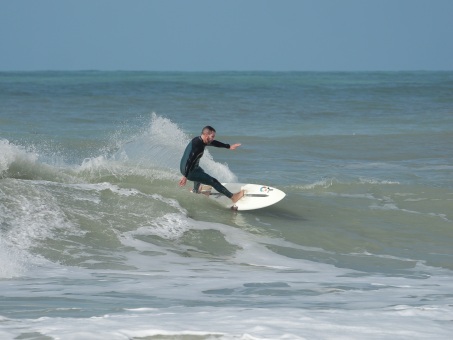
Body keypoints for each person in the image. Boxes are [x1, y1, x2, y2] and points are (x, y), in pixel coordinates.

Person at [179, 126, 245, 203]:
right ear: (207, 136)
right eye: (212, 136)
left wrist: (228, 146)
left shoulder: (199, 139)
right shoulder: (197, 147)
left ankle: (195, 190)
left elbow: (214, 143)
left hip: (186, 167)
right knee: (213, 181)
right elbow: (190, 160)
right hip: (189, 170)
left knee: (201, 171)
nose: (213, 138)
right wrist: (185, 176)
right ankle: (233, 197)